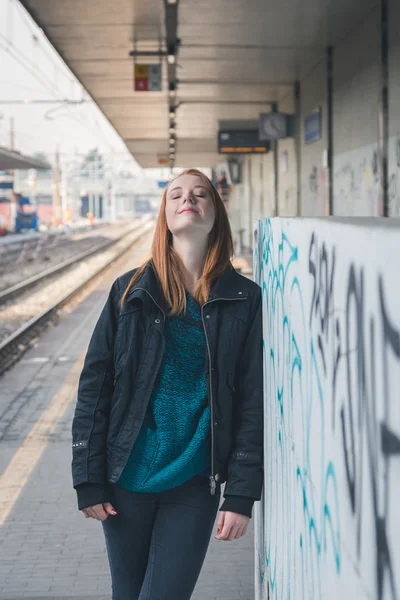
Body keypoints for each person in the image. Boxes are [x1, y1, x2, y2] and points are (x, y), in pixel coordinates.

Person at [71, 168, 263, 599]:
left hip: (194, 483)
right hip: (125, 479)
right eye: (175, 194)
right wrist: (88, 477)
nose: (187, 199)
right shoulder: (130, 291)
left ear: (216, 213)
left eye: (200, 194)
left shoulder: (244, 299)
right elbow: (95, 386)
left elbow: (253, 400)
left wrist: (240, 495)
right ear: (165, 214)